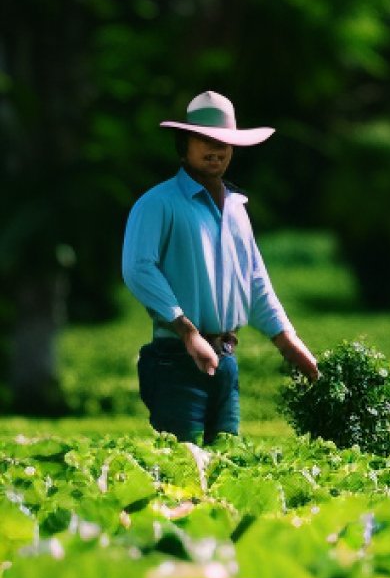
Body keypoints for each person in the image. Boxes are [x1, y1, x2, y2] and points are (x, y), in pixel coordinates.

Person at [122, 90, 319, 444]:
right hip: (176, 359)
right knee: (181, 469)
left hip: (226, 360)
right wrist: (187, 332)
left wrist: (289, 343)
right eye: (204, 139)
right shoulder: (158, 204)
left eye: (224, 141)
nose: (216, 148)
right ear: (184, 144)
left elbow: (255, 282)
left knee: (225, 462)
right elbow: (139, 269)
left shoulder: (237, 210)